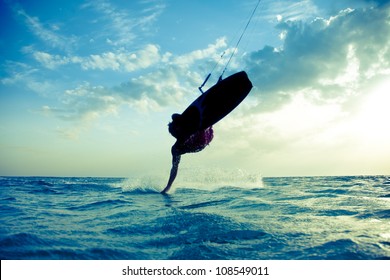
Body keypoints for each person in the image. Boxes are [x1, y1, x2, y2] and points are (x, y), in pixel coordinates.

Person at [161, 113, 213, 194]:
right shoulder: (176, 148)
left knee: (175, 117)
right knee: (193, 130)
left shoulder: (185, 131)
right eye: (173, 133)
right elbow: (174, 168)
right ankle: (207, 124)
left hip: (203, 138)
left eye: (175, 130)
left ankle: (207, 124)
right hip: (201, 141)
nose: (174, 134)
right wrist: (168, 186)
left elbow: (174, 116)